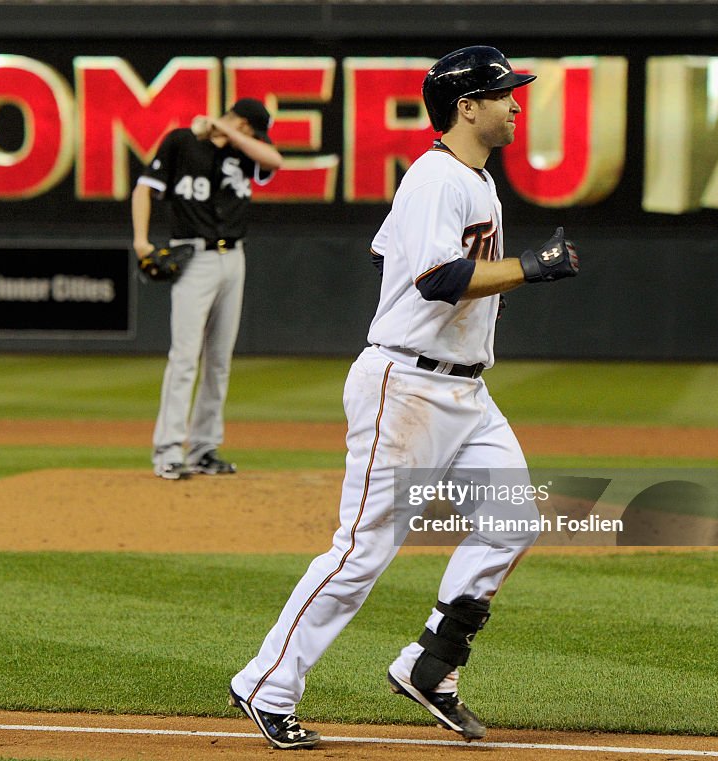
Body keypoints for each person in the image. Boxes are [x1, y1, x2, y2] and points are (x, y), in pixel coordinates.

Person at [227, 46, 578, 749]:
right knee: (362, 551)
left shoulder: (472, 180)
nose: (515, 103)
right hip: (408, 386)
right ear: (466, 106)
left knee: (510, 521)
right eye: (503, 93)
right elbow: (436, 277)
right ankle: (265, 682)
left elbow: (390, 253)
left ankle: (430, 664)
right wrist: (531, 269)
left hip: (465, 390)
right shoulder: (434, 177)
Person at [132, 98, 283, 480]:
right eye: (254, 129)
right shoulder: (181, 142)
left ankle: (202, 448)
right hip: (193, 256)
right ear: (248, 124)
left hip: (234, 259)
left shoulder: (243, 151)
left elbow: (274, 161)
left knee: (219, 360)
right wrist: (141, 242)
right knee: (184, 357)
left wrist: (224, 128)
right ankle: (168, 451)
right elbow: (143, 189)